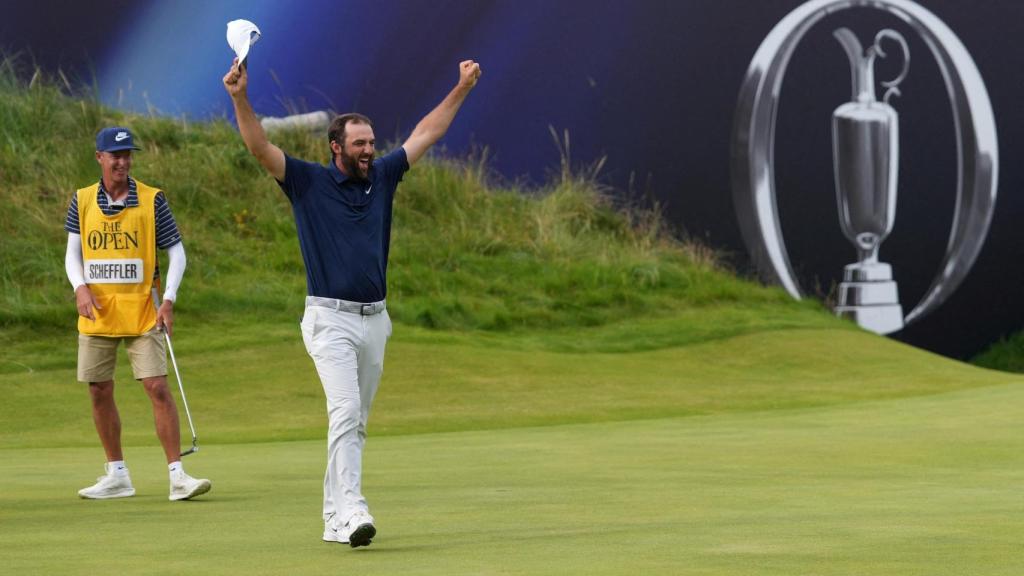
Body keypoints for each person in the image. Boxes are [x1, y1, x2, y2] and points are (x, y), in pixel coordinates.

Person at [223, 57, 481, 547]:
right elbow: (259, 147)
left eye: (371, 142)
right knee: (344, 412)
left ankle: (332, 517)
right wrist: (240, 97)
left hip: (375, 320)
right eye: (359, 143)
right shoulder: (306, 181)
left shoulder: (383, 175)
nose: (369, 150)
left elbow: (428, 132)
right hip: (329, 319)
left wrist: (462, 87)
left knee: (355, 423)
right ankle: (355, 509)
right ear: (336, 147)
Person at [65, 127, 211, 501]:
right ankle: (117, 474)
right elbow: (72, 254)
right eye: (116, 155)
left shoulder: (152, 199)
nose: (123, 162)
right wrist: (79, 287)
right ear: (99, 157)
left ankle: (178, 476)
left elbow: (177, 253)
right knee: (99, 389)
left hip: (144, 308)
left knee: (157, 386)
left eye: (127, 155)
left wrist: (169, 300)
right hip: (97, 311)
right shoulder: (82, 199)